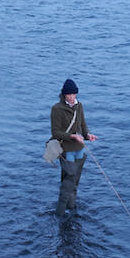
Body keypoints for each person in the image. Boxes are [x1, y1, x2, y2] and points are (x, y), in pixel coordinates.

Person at [50, 78, 97, 213]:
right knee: (68, 181)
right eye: (69, 94)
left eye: (74, 94)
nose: (71, 97)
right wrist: (72, 136)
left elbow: (82, 125)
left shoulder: (79, 106)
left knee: (74, 181)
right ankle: (60, 212)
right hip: (66, 150)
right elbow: (55, 133)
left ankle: (71, 208)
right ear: (64, 95)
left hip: (79, 150)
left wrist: (88, 135)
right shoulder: (56, 109)